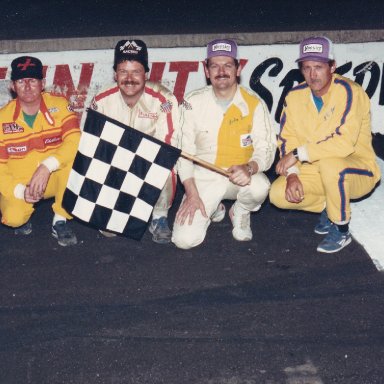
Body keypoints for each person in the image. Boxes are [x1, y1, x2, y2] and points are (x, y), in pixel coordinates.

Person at [269, 36, 381, 253]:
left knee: (331, 165)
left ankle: (341, 229)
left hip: (357, 169)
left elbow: (344, 143)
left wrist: (298, 153)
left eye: (319, 67)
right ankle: (328, 205)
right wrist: (292, 173)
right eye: (307, 68)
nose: (312, 75)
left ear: (332, 67)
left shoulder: (350, 91)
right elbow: (286, 137)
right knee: (278, 194)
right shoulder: (294, 96)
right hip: (317, 170)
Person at [172, 39, 276, 249]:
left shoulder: (254, 103)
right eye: (215, 66)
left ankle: (240, 211)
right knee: (184, 241)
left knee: (260, 187)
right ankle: (214, 207)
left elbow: (266, 149)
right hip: (204, 178)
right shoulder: (192, 102)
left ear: (238, 69)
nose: (221, 71)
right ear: (206, 69)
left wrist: (249, 167)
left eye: (228, 65)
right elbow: (183, 154)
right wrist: (191, 193)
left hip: (240, 175)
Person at [89, 39, 179, 244]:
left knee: (169, 163)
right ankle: (122, 207)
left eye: (136, 72)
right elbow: (93, 143)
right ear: (115, 74)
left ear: (146, 74)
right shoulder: (102, 99)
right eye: (123, 72)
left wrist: (138, 158)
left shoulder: (163, 99)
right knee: (108, 231)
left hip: (151, 163)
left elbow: (168, 143)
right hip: (116, 165)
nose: (129, 78)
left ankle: (159, 216)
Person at [0, 56, 81, 246]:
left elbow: (75, 140)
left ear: (43, 83)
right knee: (13, 218)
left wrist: (47, 166)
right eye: (21, 81)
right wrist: (20, 191)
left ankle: (60, 219)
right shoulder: (2, 118)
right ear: (12, 86)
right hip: (20, 183)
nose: (27, 87)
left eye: (33, 80)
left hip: (51, 177)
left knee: (75, 162)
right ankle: (22, 211)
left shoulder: (60, 105)